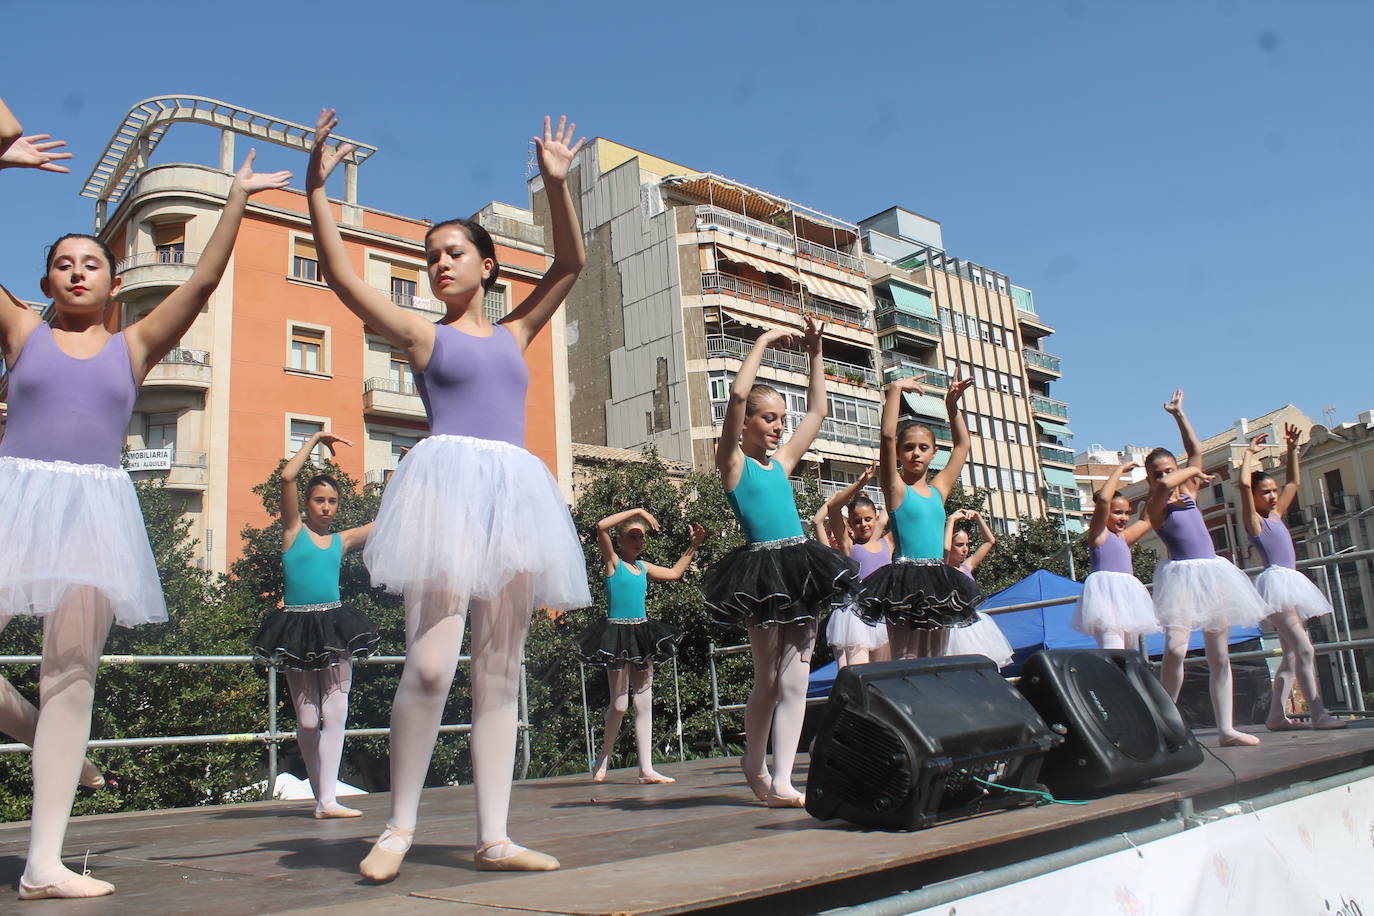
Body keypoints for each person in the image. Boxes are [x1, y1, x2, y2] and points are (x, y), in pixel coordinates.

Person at [0, 124, 287, 898]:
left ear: (113, 280)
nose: (78, 270)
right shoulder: (22, 334)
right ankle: (34, 732)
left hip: (93, 506)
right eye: (63, 263)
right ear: (46, 281)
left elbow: (199, 283)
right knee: (45, 696)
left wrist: (232, 202)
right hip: (14, 498)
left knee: (70, 675)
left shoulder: (134, 347)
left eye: (91, 261)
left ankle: (42, 863)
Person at [307, 111, 590, 878]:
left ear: (489, 267)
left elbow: (570, 264)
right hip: (446, 497)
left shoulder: (516, 333)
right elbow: (338, 277)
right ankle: (398, 825)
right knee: (431, 667)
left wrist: (559, 187)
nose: (438, 264)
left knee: (499, 671)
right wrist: (316, 193)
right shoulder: (424, 336)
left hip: (515, 495)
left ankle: (493, 836)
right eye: (430, 256)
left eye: (453, 252)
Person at [701, 319, 858, 807]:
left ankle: (784, 778)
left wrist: (815, 353)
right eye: (768, 418)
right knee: (768, 675)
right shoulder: (734, 464)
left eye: (779, 420)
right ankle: (755, 762)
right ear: (747, 423)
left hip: (801, 570)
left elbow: (818, 411)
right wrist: (763, 342)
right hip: (762, 576)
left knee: (798, 674)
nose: (778, 427)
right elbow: (736, 395)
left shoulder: (782, 462)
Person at [251, 432, 378, 817]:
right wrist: (316, 439)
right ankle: (322, 792)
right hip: (297, 628)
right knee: (307, 720)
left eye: (332, 502)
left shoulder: (340, 541)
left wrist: (409, 469)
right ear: (306, 504)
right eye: (319, 500)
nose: (326, 507)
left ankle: (326, 800)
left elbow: (389, 518)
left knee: (335, 712)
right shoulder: (293, 533)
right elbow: (287, 478)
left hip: (335, 624)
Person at [1147, 390, 1270, 747]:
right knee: (1175, 648)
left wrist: (1178, 415)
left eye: (1169, 469)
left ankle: (1227, 728)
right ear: (1150, 478)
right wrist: (1188, 471)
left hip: (1213, 573)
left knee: (1220, 652)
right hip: (1181, 577)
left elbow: (1196, 454)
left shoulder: (1188, 493)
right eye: (1157, 473)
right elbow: (1188, 469)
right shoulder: (1155, 505)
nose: (1166, 477)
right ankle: (1165, 721)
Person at [855, 375, 980, 660]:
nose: (915, 453)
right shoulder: (896, 489)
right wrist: (895, 390)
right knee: (905, 658)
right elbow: (886, 437)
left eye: (923, 448)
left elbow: (962, 446)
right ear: (899, 453)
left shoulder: (939, 490)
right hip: (904, 582)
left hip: (938, 581)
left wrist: (952, 405)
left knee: (936, 658)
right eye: (909, 447)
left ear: (934, 452)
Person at [578, 509, 705, 784]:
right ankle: (604, 757)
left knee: (644, 701)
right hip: (617, 636)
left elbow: (674, 573)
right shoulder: (613, 563)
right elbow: (600, 525)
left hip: (641, 634)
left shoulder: (643, 568)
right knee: (620, 704)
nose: (639, 541)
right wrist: (639, 512)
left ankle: (645, 769)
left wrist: (692, 546)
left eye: (642, 537)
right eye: (633, 536)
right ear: (621, 540)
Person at [1238, 428, 1344, 731]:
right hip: (1276, 585)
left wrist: (1293, 448)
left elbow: (1294, 482)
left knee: (1290, 657)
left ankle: (1275, 716)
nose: (1272, 496)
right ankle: (1319, 714)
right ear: (1255, 497)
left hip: (1289, 583)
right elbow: (1244, 485)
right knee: (1305, 649)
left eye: (1273, 491)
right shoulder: (1254, 520)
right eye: (1266, 492)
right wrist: (1247, 454)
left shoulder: (1276, 515)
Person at [1073, 461, 1160, 650]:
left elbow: (1147, 519)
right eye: (1118, 513)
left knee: (1132, 652)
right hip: (1105, 600)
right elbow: (1104, 500)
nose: (1124, 518)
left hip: (1127, 599)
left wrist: (1153, 488)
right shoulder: (1099, 534)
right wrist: (1119, 471)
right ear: (1105, 514)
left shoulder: (1123, 537)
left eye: (1127, 513)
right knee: (1113, 649)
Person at [822, 465, 891, 667]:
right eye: (857, 521)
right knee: (859, 670)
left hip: (884, 613)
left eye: (868, 519)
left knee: (884, 672)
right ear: (851, 525)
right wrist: (860, 483)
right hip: (858, 616)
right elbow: (833, 509)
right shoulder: (848, 546)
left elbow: (896, 502)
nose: (863, 524)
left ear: (876, 518)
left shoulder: (887, 543)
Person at [944, 509, 1014, 668]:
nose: (965, 549)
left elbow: (989, 541)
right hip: (955, 627)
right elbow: (945, 549)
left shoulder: (967, 566)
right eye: (959, 545)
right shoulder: (944, 567)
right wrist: (951, 521)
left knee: (985, 667)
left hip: (976, 625)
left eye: (967, 545)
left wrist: (978, 517)